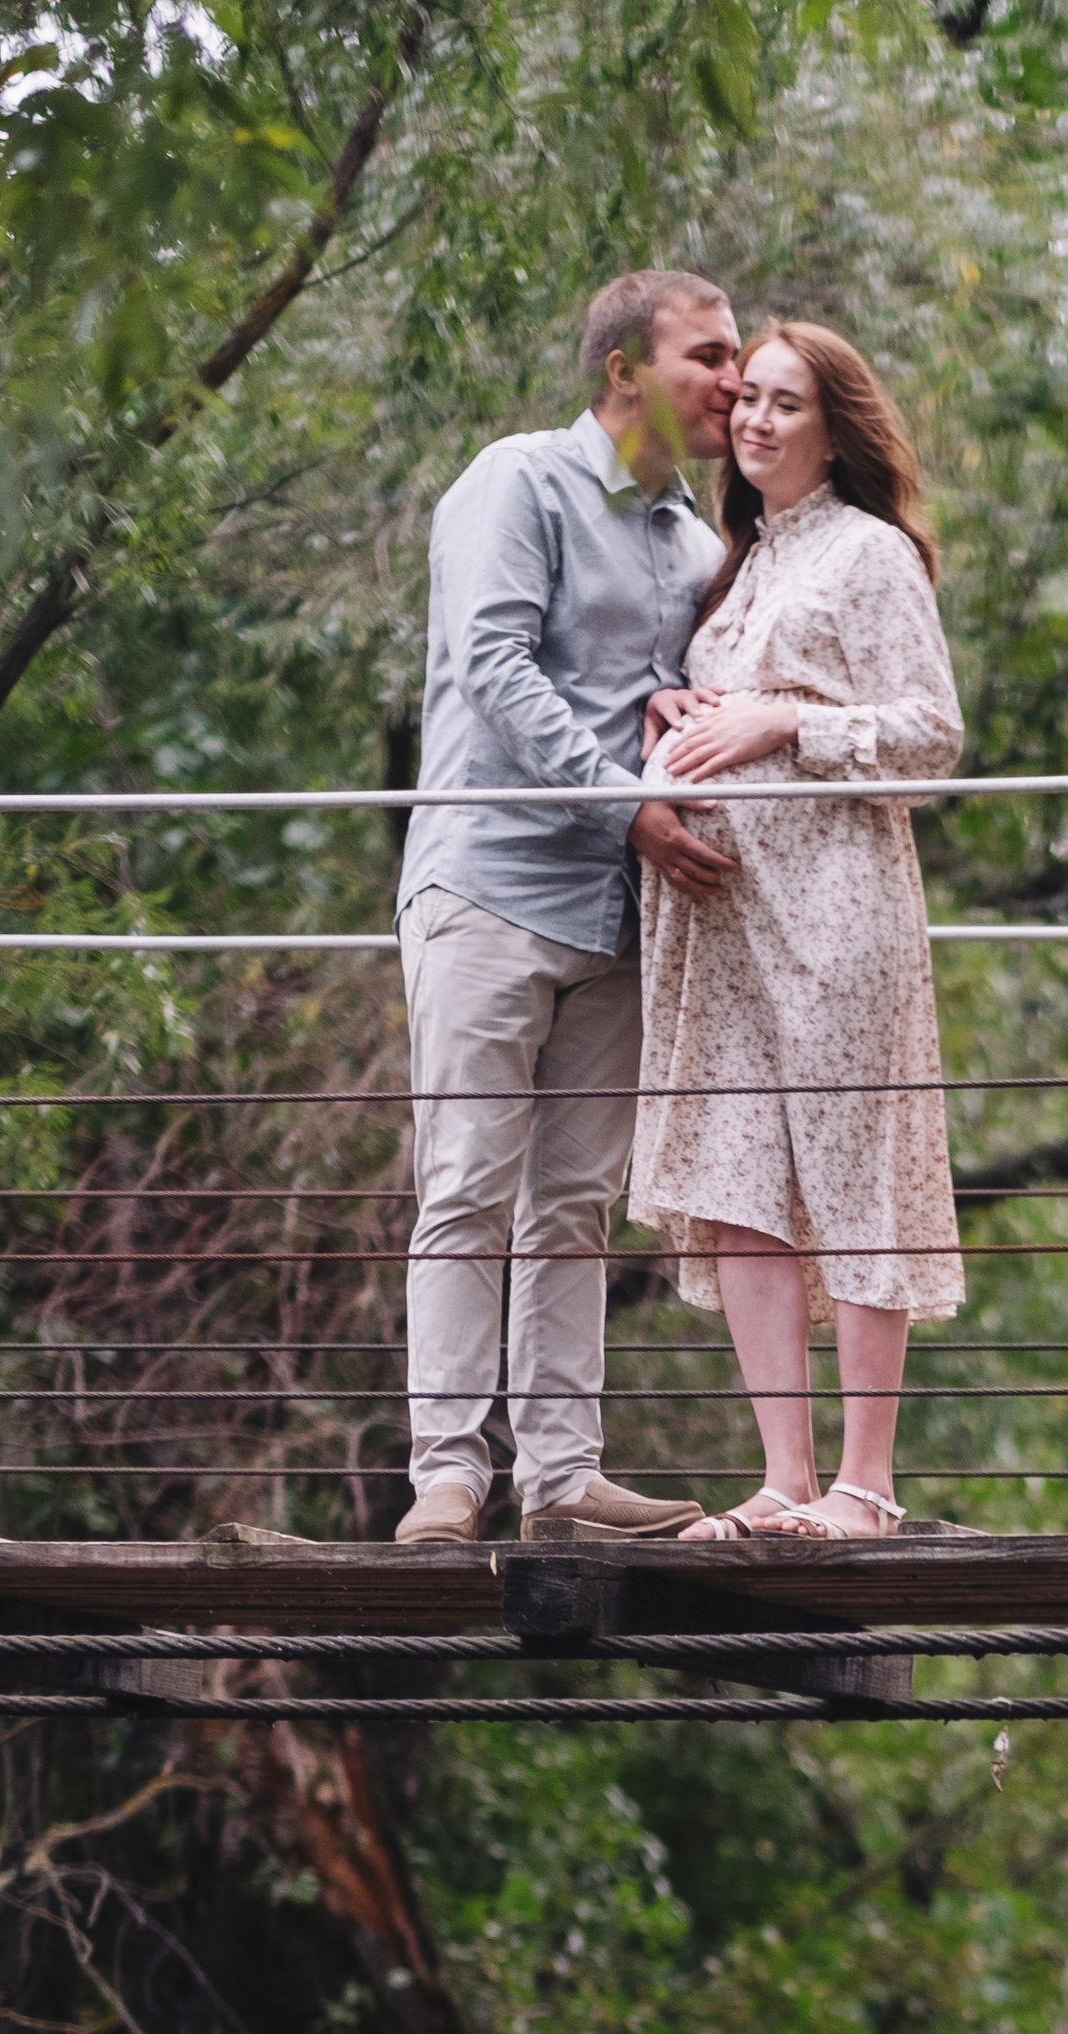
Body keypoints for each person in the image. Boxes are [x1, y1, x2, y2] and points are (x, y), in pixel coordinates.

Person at [392, 267, 748, 1545]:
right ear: (625, 374)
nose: (734, 380)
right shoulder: (517, 481)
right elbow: (491, 665)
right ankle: (445, 1474)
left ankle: (560, 1480)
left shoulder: (701, 544)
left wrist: (676, 723)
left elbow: (673, 697)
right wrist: (624, 803)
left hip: (619, 917)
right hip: (487, 888)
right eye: (708, 355)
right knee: (468, 1185)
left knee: (575, 1205)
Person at [625, 322, 964, 1540]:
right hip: (721, 927)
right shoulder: (736, 566)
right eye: (748, 402)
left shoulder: (869, 555)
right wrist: (677, 705)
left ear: (835, 428)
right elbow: (725, 702)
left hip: (835, 913)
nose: (758, 422)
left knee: (851, 1170)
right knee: (741, 1187)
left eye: (787, 404)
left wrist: (781, 727)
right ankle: (784, 1481)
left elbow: (931, 737)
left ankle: (864, 1486)